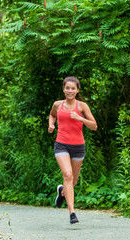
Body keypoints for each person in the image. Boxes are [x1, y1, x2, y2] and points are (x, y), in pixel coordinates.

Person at [48, 76, 98, 224]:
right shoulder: (57, 105)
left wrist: (80, 118)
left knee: (73, 181)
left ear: (77, 90)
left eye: (73, 88)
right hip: (61, 144)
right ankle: (72, 213)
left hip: (78, 146)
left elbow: (94, 126)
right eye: (67, 88)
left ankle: (62, 192)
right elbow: (52, 115)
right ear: (64, 89)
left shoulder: (82, 106)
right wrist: (51, 125)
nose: (70, 91)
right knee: (68, 175)